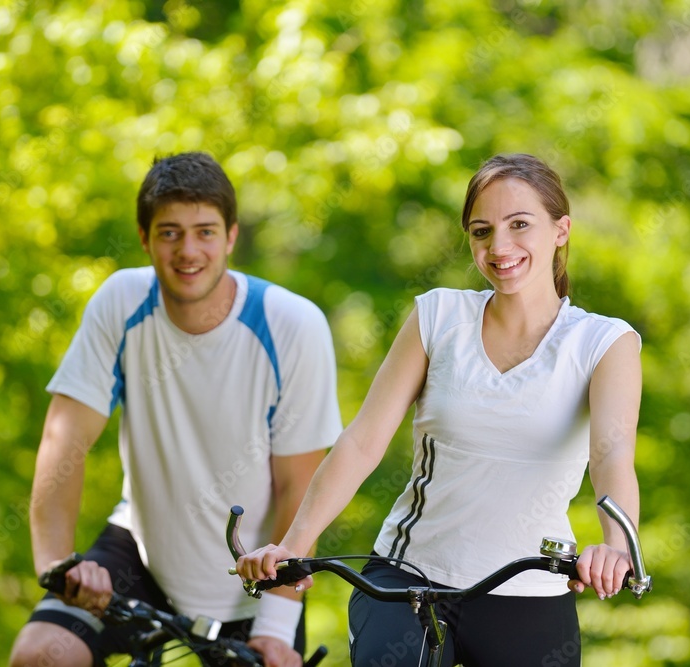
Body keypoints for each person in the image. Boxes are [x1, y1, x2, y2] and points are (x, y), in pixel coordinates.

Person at [236, 153, 642, 667]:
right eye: (481, 231)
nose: (499, 247)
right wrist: (293, 544)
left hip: (530, 589)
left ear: (561, 230)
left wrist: (615, 547)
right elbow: (363, 442)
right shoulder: (438, 315)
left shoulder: (604, 342)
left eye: (520, 225)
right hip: (409, 580)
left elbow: (611, 457)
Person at [9, 151, 342, 667]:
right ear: (145, 239)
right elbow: (64, 443)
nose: (189, 251)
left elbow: (298, 491)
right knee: (41, 656)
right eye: (170, 233)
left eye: (205, 231)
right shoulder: (120, 303)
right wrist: (59, 566)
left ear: (231, 236)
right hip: (140, 553)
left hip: (255, 574)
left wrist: (277, 627)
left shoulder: (292, 326)